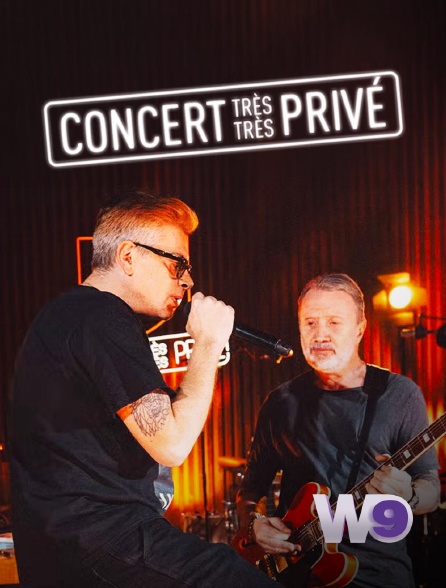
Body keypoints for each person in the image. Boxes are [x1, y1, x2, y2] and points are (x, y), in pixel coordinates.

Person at [9, 190, 277, 588]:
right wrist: (207, 344)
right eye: (177, 264)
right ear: (128, 256)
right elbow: (172, 444)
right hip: (102, 540)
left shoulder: (71, 316)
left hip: (67, 549)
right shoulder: (102, 316)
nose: (188, 280)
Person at [235, 273, 440, 588]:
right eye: (310, 323)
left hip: (378, 578)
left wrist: (409, 496)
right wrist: (254, 525)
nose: (320, 335)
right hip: (298, 575)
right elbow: (250, 492)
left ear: (360, 329)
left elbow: (431, 489)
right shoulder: (280, 401)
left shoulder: (399, 395)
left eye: (334, 322)